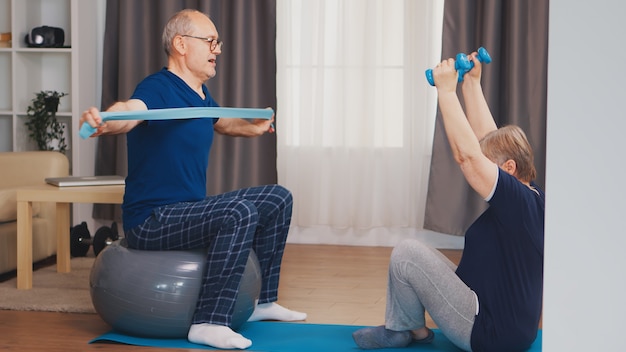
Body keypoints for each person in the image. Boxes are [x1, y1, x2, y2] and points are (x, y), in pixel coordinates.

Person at [80, 9, 306, 350]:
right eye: (211, 41)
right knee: (240, 212)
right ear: (181, 44)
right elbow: (131, 111)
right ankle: (208, 322)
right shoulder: (158, 88)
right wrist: (106, 120)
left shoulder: (199, 94)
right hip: (152, 220)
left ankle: (263, 302)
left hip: (187, 210)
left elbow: (220, 122)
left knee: (278, 197)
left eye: (218, 42)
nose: (218, 49)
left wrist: (253, 127)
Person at [352, 52, 544, 351]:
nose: (485, 165)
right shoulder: (529, 196)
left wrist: (445, 91)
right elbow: (487, 140)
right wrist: (472, 84)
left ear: (508, 168)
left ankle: (400, 330)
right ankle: (409, 330)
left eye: (491, 164)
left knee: (406, 254)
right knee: (413, 256)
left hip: (489, 333)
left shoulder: (517, 202)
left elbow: (468, 156)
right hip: (500, 321)